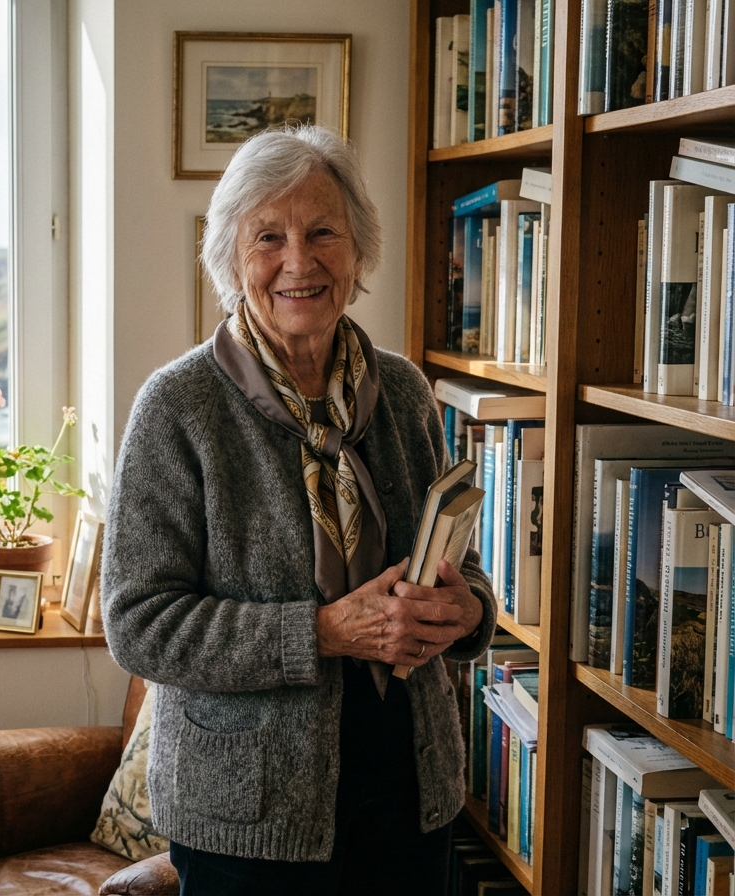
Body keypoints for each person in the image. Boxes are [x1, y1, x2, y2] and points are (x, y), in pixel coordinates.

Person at [101, 124, 496, 895]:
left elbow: (459, 566)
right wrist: (318, 633)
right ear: (230, 258)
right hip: (250, 823)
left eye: (323, 233)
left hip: (411, 798)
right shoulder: (177, 407)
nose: (299, 262)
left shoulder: (405, 390)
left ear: (357, 251)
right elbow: (139, 622)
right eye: (269, 238)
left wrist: (467, 611)